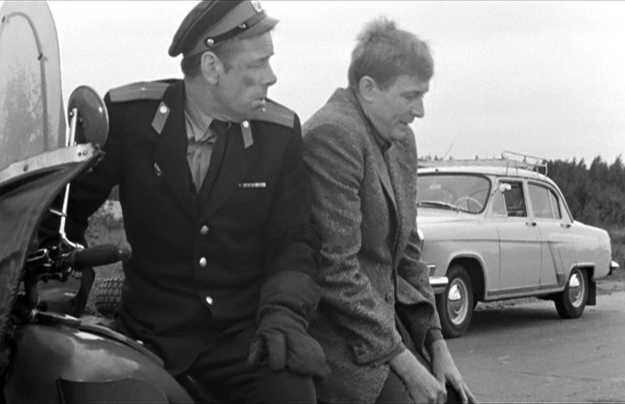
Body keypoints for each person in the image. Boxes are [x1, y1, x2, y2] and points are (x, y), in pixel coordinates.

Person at [42, 1, 328, 402]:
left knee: (294, 394)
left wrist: (283, 313)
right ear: (211, 67)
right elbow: (65, 212)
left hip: (242, 339)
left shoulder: (278, 134)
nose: (271, 76)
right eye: (258, 63)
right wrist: (60, 289)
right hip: (148, 335)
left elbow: (295, 240)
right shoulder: (130, 118)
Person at [302, 17, 476, 404]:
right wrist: (409, 367)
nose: (420, 110)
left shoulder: (400, 141)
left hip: (387, 330)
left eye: (422, 95)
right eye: (410, 96)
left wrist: (437, 345)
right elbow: (336, 272)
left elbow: (408, 252)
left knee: (456, 398)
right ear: (369, 88)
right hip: (340, 339)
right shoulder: (332, 136)